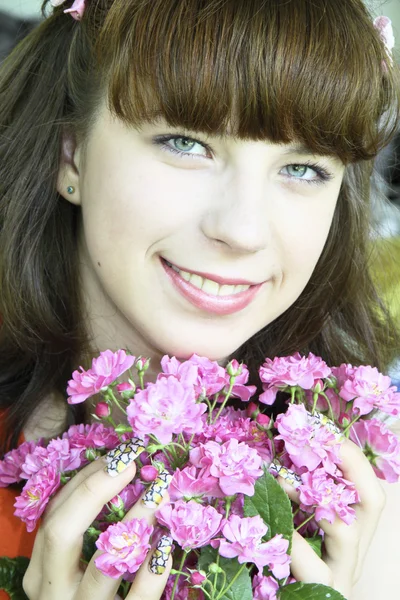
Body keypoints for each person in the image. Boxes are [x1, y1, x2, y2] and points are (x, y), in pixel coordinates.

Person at [0, 0, 399, 599]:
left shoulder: (361, 500)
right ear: (72, 153)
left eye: (305, 168)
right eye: (186, 143)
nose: (242, 231)